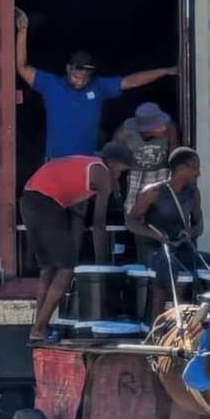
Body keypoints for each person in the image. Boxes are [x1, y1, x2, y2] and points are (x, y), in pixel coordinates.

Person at [15, 8, 177, 160]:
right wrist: (22, 31)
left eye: (85, 76)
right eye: (77, 74)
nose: (80, 79)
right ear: (68, 68)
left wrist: (165, 71)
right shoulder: (50, 84)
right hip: (56, 162)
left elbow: (131, 81)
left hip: (86, 162)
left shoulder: (99, 86)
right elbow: (22, 67)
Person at [19, 142, 134, 343]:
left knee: (48, 268)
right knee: (66, 269)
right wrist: (103, 266)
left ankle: (39, 326)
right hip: (46, 202)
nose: (120, 175)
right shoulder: (102, 174)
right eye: (122, 170)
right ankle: (39, 328)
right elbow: (99, 225)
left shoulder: (87, 166)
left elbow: (76, 215)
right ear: (113, 163)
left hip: (29, 199)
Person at [125, 147, 210, 322]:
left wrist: (190, 233)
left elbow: (199, 226)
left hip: (182, 250)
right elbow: (131, 222)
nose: (199, 173)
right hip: (156, 251)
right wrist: (155, 235)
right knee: (168, 267)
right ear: (180, 168)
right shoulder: (153, 192)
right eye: (195, 168)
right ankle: (157, 323)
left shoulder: (193, 193)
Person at [113, 101, 179, 263]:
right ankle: (142, 259)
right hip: (137, 173)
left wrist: (174, 184)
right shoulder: (125, 132)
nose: (163, 127)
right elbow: (114, 156)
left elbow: (175, 156)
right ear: (146, 128)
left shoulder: (170, 127)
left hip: (162, 171)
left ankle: (166, 258)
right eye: (158, 125)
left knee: (163, 215)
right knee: (135, 217)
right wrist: (114, 180)